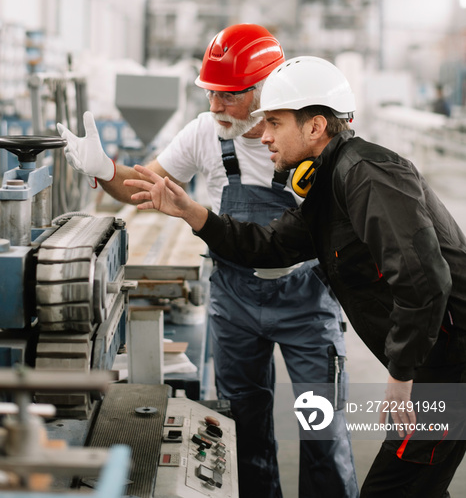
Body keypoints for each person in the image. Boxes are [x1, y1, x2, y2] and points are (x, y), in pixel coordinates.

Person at [125, 55, 466, 498]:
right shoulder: (327, 188)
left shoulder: (367, 174)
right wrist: (191, 212)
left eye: (274, 123)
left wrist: (402, 376)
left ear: (315, 127)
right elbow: (269, 245)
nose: (263, 135)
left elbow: (423, 280)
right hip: (435, 360)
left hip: (450, 366)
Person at [57, 28, 358, 498]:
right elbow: (143, 187)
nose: (216, 107)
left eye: (230, 96)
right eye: (210, 94)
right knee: (245, 428)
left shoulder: (312, 142)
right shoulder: (205, 132)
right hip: (235, 304)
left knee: (322, 429)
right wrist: (104, 169)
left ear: (267, 91)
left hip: (306, 303)